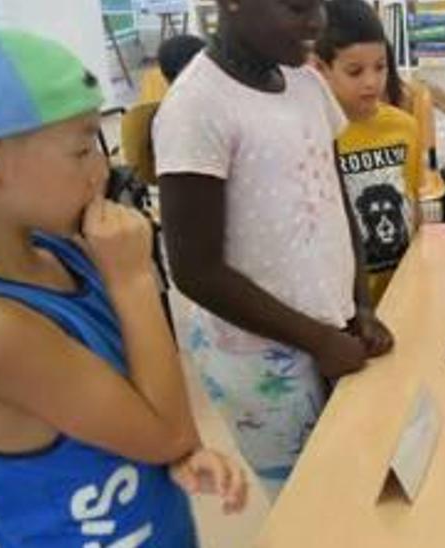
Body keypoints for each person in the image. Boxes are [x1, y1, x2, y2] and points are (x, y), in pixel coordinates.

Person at [0, 29, 246, 546]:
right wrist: (136, 279)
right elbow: (168, 431)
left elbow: (147, 414)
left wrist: (182, 456)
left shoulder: (67, 255)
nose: (101, 171)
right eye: (80, 149)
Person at [155, 0, 393, 497]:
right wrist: (317, 338)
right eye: (297, 6)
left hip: (330, 330)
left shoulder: (305, 83)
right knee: (307, 503)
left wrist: (360, 305)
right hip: (261, 360)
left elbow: (335, 203)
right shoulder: (196, 107)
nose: (316, 22)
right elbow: (195, 270)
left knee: (354, 481)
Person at [314, 0, 422, 305]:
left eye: (380, 67)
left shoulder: (405, 127)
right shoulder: (316, 135)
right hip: (344, 303)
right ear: (322, 69)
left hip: (403, 290)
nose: (371, 82)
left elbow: (412, 210)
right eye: (355, 71)